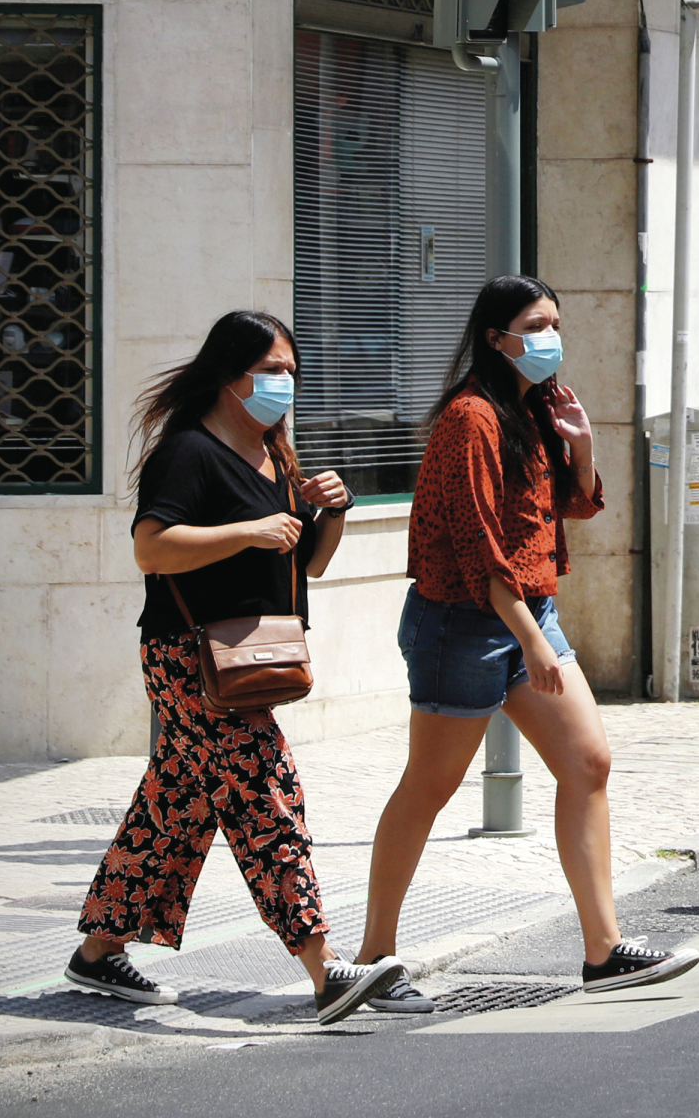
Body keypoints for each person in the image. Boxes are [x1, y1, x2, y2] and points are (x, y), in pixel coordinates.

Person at [354, 276, 697, 1006]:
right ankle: (375, 957)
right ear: (494, 337)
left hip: (528, 613)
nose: (550, 338)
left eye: (555, 324)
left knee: (589, 764)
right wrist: (533, 645)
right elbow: (479, 546)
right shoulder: (469, 419)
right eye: (536, 325)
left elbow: (568, 509)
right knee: (430, 787)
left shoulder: (534, 405)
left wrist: (582, 447)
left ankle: (604, 950)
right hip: (465, 622)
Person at [67, 312, 405, 1025]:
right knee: (265, 796)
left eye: (292, 372)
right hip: (190, 658)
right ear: (229, 376)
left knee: (175, 812)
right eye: (271, 370)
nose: (284, 384)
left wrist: (330, 516)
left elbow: (304, 565)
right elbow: (152, 550)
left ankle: (97, 953)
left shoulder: (274, 453)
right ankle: (322, 966)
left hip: (247, 654)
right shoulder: (187, 452)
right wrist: (248, 531)